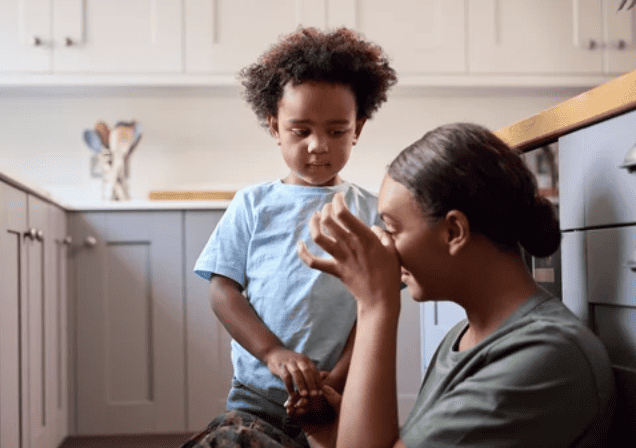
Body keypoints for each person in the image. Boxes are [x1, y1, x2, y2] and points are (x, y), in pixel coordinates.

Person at [296, 123, 616, 448]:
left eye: (392, 229)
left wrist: (375, 304)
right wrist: (333, 433)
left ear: (453, 232)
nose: (386, 247)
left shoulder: (548, 358)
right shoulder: (462, 337)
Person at [185, 27, 397, 448]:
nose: (318, 146)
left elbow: (375, 305)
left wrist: (334, 381)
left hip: (339, 396)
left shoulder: (373, 211)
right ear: (274, 126)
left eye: (337, 131)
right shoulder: (252, 204)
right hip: (256, 397)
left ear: (359, 127)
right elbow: (223, 290)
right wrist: (272, 353)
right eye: (301, 131)